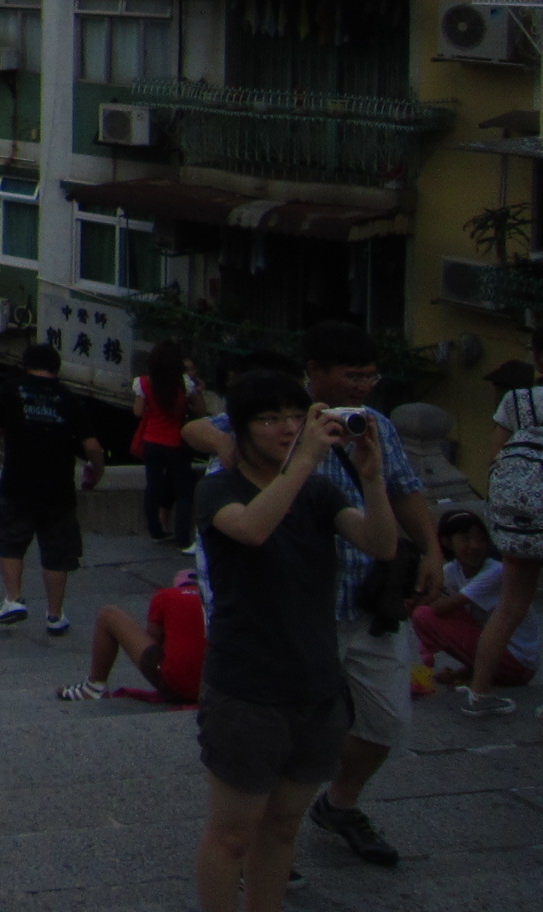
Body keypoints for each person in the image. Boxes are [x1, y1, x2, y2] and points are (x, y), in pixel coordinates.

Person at [182, 321, 439, 866]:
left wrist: (428, 544)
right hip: (280, 623)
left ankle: (332, 806)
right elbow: (201, 434)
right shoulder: (272, 415)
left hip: (364, 603)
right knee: (259, 766)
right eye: (352, 375)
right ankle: (263, 836)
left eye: (370, 377)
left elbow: (398, 505)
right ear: (316, 371)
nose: (362, 387)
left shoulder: (370, 429)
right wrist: (238, 446)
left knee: (385, 721)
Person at [190, 369, 396, 912]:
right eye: (270, 419)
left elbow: (381, 544)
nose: (286, 428)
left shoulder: (319, 492)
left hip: (316, 684)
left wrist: (373, 479)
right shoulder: (218, 488)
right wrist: (304, 460)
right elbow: (252, 529)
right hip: (246, 688)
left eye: (293, 417)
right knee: (232, 833)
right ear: (240, 429)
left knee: (282, 828)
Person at [0, 342, 106, 635]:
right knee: (57, 551)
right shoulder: (69, 398)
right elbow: (92, 446)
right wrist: (97, 472)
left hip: (17, 482)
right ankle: (54, 615)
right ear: (56, 367)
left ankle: (14, 599)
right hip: (58, 487)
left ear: (26, 364)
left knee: (10, 540)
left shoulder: (10, 389)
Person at [465, 351, 543, 715]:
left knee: (510, 606)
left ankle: (479, 694)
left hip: (520, 523)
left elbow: (494, 457)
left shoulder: (518, 401)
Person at [414, 507, 538, 690]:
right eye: (466, 539)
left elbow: (438, 608)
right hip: (500, 655)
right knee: (437, 612)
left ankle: (481, 680)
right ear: (447, 542)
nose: (475, 546)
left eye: (480, 539)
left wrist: (420, 599)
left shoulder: (495, 570)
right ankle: (472, 671)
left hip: (519, 664)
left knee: (424, 615)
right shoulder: (452, 571)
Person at [59, 566, 206, 704]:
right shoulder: (215, 599)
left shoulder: (167, 595)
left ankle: (93, 688)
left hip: (179, 686)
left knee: (108, 615)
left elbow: (153, 642)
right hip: (214, 689)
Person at [132, 338, 201, 544]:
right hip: (176, 443)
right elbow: (201, 410)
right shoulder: (184, 384)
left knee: (153, 486)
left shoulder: (144, 383)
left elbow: (138, 412)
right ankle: (182, 538)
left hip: (151, 440)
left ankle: (155, 530)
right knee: (183, 492)